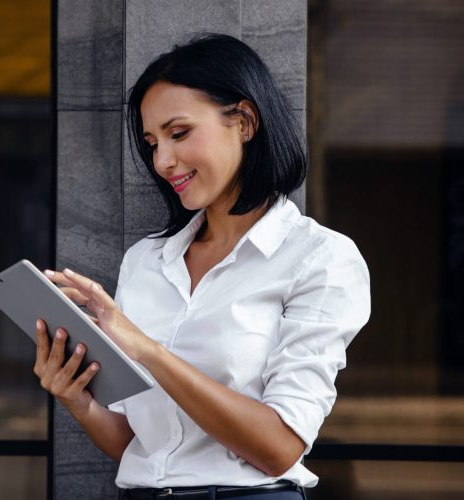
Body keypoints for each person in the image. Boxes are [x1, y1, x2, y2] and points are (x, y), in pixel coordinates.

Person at [34, 33, 371, 499]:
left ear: (245, 122)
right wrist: (77, 399)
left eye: (179, 133)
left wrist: (147, 349)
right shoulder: (147, 260)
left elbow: (279, 447)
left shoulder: (320, 259)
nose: (162, 161)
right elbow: (141, 446)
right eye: (152, 142)